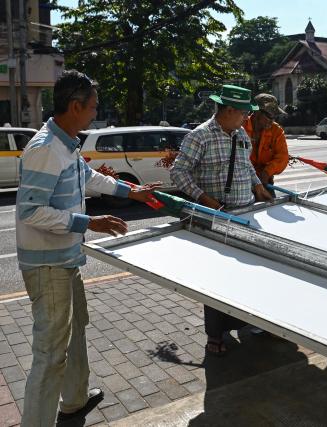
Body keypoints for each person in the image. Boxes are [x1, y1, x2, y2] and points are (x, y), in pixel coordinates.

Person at [16, 70, 158, 427]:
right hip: (48, 266)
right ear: (75, 106)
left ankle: (74, 400)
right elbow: (31, 211)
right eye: (93, 107)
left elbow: (89, 177)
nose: (96, 113)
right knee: (50, 354)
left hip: (67, 259)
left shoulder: (66, 144)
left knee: (76, 327)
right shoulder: (45, 149)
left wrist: (131, 191)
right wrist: (88, 223)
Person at [170, 84, 273, 355]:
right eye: (243, 113)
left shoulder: (240, 134)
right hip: (216, 219)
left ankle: (249, 320)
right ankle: (215, 336)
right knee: (217, 279)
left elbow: (245, 164)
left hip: (245, 215)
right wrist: (204, 199)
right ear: (228, 110)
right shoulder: (199, 136)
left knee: (248, 273)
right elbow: (179, 173)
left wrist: (257, 186)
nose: (246, 118)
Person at [243, 93, 289, 196]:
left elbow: (282, 157)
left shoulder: (276, 131)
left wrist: (266, 173)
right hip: (242, 182)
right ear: (257, 112)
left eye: (275, 117)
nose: (272, 120)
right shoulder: (241, 126)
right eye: (269, 116)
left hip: (265, 182)